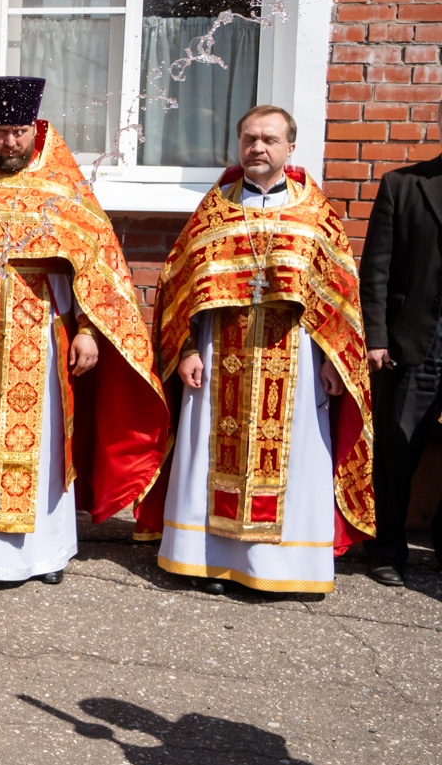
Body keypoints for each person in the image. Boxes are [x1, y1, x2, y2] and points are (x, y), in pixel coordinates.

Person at [137, 105, 374, 595]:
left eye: (269, 139)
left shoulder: (315, 212)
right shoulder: (215, 209)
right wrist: (184, 350)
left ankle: (283, 568)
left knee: (295, 458)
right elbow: (178, 285)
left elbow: (341, 294)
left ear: (290, 147)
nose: (257, 148)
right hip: (219, 351)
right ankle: (209, 561)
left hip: (298, 359)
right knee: (209, 453)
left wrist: (334, 359)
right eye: (249, 139)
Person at [0, 77, 167, 586]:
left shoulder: (62, 184)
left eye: (19, 131)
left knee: (43, 443)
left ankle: (42, 556)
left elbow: (95, 265)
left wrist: (90, 330)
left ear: (36, 127)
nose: (10, 143)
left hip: (39, 334)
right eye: (1, 131)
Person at [357, 136, 442, 586]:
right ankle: (386, 548)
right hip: (413, 341)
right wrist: (376, 336)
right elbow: (376, 268)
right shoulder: (402, 185)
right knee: (397, 451)